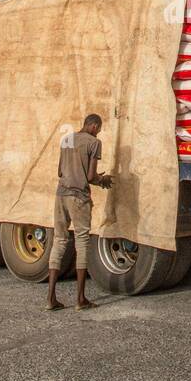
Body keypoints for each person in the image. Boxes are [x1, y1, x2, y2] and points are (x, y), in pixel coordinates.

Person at [47, 114, 113, 311]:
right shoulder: (94, 143)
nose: (98, 132)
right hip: (79, 198)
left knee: (59, 241)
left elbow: (60, 172)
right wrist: (103, 180)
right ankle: (80, 299)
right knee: (82, 242)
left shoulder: (66, 139)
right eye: (98, 128)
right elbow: (91, 177)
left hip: (61, 195)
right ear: (93, 126)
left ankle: (51, 299)